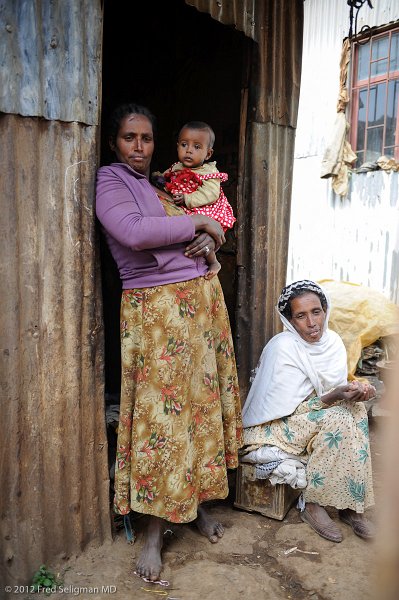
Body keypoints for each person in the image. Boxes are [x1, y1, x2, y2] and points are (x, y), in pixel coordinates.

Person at [95, 103, 243, 581]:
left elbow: (203, 222)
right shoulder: (110, 182)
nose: (139, 147)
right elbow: (134, 233)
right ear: (113, 142)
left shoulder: (161, 184)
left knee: (198, 412)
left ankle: (193, 505)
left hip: (198, 304)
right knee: (164, 420)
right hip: (157, 313)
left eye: (146, 138)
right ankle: (155, 533)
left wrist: (210, 240)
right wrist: (200, 226)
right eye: (128, 138)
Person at [241, 279, 376, 543]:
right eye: (301, 316)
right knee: (339, 417)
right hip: (279, 426)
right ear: (290, 321)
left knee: (356, 410)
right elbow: (284, 411)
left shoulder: (333, 342)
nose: (312, 322)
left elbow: (338, 392)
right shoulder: (283, 348)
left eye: (316, 312)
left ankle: (352, 506)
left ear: (325, 310)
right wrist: (336, 395)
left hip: (315, 416)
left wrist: (358, 391)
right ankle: (313, 504)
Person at [153, 121, 236, 279]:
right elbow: (165, 177)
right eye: (184, 144)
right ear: (177, 146)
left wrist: (187, 198)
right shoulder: (176, 167)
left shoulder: (209, 172)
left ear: (208, 153)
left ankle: (213, 262)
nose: (189, 150)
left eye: (197, 147)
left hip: (204, 208)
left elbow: (211, 194)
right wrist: (158, 178)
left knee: (201, 234)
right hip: (185, 207)